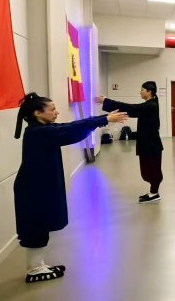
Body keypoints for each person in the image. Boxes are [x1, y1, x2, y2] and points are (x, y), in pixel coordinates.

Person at [14, 93, 127, 283]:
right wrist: (104, 119)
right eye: (52, 109)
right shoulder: (39, 133)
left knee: (41, 225)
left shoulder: (42, 129)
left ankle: (38, 265)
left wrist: (102, 119)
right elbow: (71, 130)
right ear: (37, 113)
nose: (56, 112)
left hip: (37, 186)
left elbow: (70, 127)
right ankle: (34, 269)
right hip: (33, 188)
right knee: (36, 226)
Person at [98, 81, 166, 203]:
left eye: (142, 90)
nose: (140, 92)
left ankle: (154, 194)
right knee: (148, 169)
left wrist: (107, 101)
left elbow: (131, 108)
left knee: (153, 169)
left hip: (151, 144)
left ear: (149, 92)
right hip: (148, 143)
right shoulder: (152, 103)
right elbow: (132, 109)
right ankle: (153, 192)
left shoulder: (151, 105)